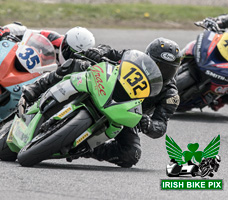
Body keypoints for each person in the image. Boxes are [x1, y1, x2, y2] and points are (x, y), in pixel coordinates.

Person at [22, 37, 181, 168]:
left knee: (131, 155)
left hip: (126, 115)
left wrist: (149, 125)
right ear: (148, 57)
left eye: (167, 69)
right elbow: (111, 51)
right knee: (77, 63)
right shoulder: (135, 58)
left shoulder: (170, 95)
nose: (158, 72)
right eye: (156, 64)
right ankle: (36, 89)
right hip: (106, 84)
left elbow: (160, 126)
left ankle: (86, 149)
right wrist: (98, 51)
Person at [0, 22, 95, 74]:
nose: (69, 53)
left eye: (75, 54)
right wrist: (5, 30)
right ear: (65, 41)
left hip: (36, 84)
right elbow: (24, 30)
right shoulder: (54, 37)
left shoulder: (77, 67)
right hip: (22, 60)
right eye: (68, 48)